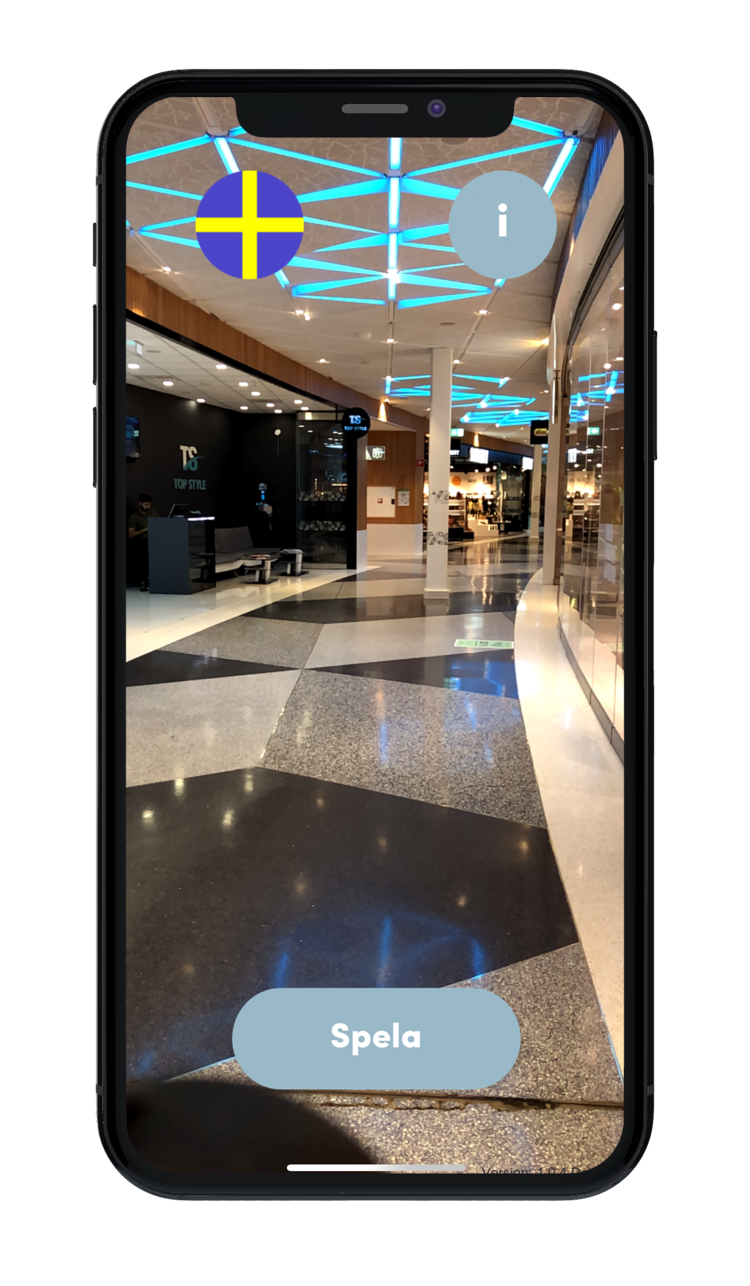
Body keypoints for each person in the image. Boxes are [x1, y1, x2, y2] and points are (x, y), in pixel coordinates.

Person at [128, 493, 159, 590]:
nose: (148, 507)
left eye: (149, 505)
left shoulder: (153, 513)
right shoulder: (134, 517)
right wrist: (145, 530)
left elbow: (159, 524)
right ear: (140, 503)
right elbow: (131, 534)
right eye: (146, 505)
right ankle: (143, 581)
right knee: (144, 553)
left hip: (155, 540)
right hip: (142, 542)